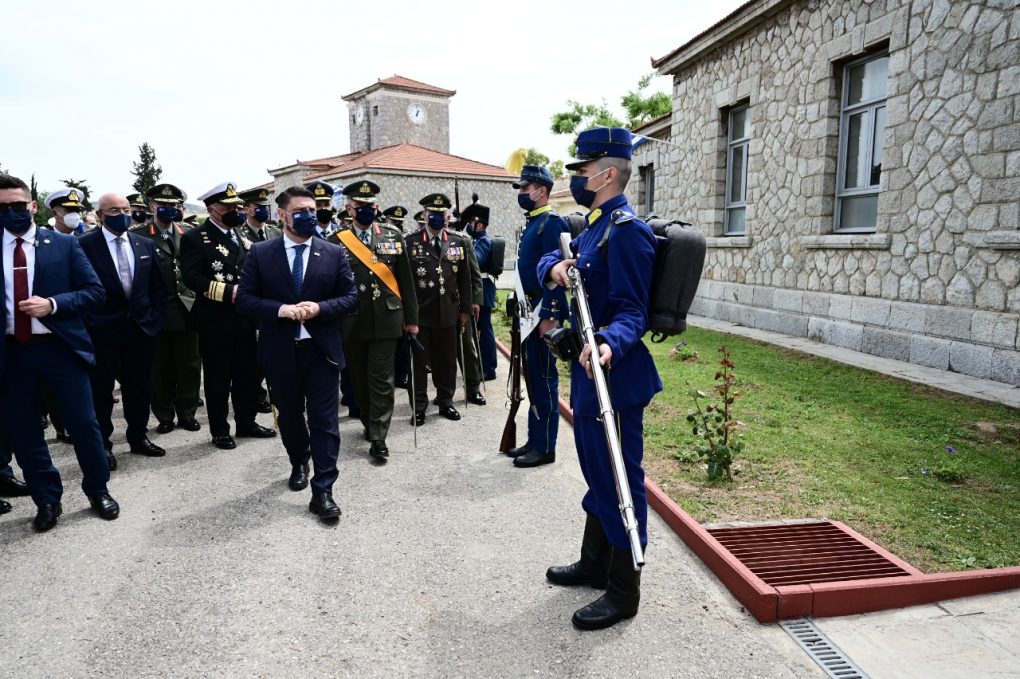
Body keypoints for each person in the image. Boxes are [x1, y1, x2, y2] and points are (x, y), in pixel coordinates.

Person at [537, 127, 662, 630]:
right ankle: (594, 564)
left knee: (620, 479)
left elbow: (634, 310)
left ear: (607, 174)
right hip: (589, 375)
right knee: (596, 472)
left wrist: (610, 339)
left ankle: (624, 589)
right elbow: (555, 259)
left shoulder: (627, 231)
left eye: (583, 171)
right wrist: (555, 270)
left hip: (616, 375)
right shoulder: (593, 227)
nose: (576, 180)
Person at [0, 173, 119, 531]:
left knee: (83, 424)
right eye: (2, 208)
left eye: (18, 205)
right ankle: (47, 499)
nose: (11, 213)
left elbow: (95, 292)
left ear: (33, 206)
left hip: (60, 347)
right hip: (12, 353)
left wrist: (52, 304)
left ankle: (98, 490)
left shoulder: (64, 244)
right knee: (25, 431)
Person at [236, 186, 358, 520]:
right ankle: (299, 460)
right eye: (300, 211)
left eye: (312, 210)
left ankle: (323, 490)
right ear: (282, 215)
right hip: (280, 351)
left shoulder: (332, 253)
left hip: (321, 352)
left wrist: (320, 308)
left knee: (325, 421)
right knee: (289, 417)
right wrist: (280, 310)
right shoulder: (261, 253)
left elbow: (350, 298)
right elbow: (245, 299)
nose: (308, 216)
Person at [327, 181, 418, 464]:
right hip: (352, 320)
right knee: (359, 379)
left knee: (381, 378)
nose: (366, 209)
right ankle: (369, 421)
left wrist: (412, 319)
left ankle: (379, 436)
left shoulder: (392, 236)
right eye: (360, 206)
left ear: (376, 207)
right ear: (349, 208)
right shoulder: (335, 241)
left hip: (387, 318)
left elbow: (406, 280)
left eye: (370, 205)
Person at [180, 182, 276, 449]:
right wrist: (227, 292)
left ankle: (246, 423)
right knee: (218, 379)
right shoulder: (195, 237)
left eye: (237, 206)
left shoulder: (240, 235)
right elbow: (191, 277)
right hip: (215, 318)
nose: (235, 210)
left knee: (247, 375)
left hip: (245, 317)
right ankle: (220, 429)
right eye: (228, 206)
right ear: (212, 209)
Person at [79, 193, 167, 464]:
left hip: (140, 329)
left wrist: (155, 319)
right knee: (101, 391)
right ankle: (103, 445)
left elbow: (157, 287)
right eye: (115, 210)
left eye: (126, 209)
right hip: (101, 331)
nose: (123, 215)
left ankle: (138, 436)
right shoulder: (84, 245)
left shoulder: (144, 243)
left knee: (138, 387)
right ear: (100, 214)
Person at [505, 165, 570, 469]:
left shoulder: (551, 223)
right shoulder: (533, 223)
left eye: (524, 188)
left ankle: (546, 447)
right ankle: (535, 440)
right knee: (532, 379)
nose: (521, 193)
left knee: (544, 380)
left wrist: (550, 316)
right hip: (527, 310)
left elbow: (557, 274)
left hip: (541, 313)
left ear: (541, 191)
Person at [132, 183, 202, 434]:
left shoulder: (189, 232)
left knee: (189, 365)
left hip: (187, 308)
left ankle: (187, 413)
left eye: (174, 205)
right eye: (163, 205)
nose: (169, 209)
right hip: (157, 310)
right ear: (152, 207)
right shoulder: (140, 234)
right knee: (158, 367)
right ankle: (164, 415)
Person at [406, 193, 472, 424]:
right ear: (425, 215)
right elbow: (405, 282)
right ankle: (419, 407)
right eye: (432, 214)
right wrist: (407, 315)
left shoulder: (458, 241)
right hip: (420, 314)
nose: (436, 218)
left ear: (448, 217)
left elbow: (465, 279)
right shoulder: (411, 242)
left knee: (447, 361)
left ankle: (445, 401)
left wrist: (465, 309)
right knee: (418, 364)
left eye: (441, 214)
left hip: (448, 312)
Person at [238, 187, 281, 415]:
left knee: (276, 351)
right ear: (247, 210)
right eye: (258, 207)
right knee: (254, 356)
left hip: (276, 299)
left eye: (266, 207)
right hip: (254, 300)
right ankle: (257, 395)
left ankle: (278, 393)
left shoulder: (275, 232)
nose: (264, 210)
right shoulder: (239, 233)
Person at [462, 202, 497, 382]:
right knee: (481, 330)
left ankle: (488, 368)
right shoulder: (477, 241)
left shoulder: (483, 242)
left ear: (480, 225)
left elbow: (476, 260)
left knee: (484, 331)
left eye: (471, 223)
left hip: (483, 290)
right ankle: (482, 365)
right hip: (481, 290)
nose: (468, 226)